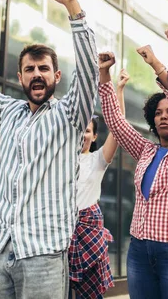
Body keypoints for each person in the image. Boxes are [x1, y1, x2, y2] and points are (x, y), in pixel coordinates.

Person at [0, 0, 99, 298]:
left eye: (44, 68)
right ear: (20, 77)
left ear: (56, 76)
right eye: (29, 69)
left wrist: (73, 9)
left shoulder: (70, 115)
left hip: (43, 252)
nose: (36, 74)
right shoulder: (8, 111)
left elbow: (88, 73)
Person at [98, 47, 168, 299]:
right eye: (158, 113)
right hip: (139, 251)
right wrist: (104, 75)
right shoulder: (146, 151)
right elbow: (115, 121)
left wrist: (158, 66)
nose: (163, 117)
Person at [69, 68, 129, 298]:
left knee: (90, 295)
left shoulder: (98, 160)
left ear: (94, 136)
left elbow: (118, 127)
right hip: (62, 230)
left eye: (87, 131)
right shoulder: (61, 159)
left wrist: (119, 91)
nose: (82, 135)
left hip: (88, 229)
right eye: (79, 130)